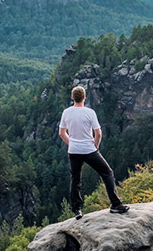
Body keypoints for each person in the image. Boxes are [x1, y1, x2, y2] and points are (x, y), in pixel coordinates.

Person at [58, 86, 129, 219]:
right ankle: (115, 204)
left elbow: (62, 133)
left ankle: (77, 210)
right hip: (89, 149)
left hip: (73, 151)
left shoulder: (66, 112)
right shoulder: (90, 112)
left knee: (75, 179)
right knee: (107, 173)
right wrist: (95, 145)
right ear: (84, 97)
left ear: (72, 98)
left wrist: (71, 143)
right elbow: (98, 133)